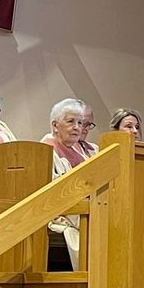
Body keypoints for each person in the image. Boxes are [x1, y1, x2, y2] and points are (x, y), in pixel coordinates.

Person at [42, 97, 93, 268]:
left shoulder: (85, 152)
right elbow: (52, 188)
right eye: (71, 122)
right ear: (55, 125)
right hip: (64, 210)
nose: (77, 127)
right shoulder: (45, 150)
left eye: (80, 122)